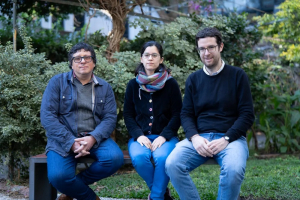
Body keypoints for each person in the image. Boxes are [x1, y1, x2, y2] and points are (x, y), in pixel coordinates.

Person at [165, 27, 255, 200]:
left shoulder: (237, 76)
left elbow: (247, 114)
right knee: (172, 164)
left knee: (233, 169)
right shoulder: (194, 79)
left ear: (220, 47)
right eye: (202, 49)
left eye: (210, 47)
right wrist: (195, 137)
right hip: (200, 138)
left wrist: (226, 139)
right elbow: (186, 114)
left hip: (231, 139)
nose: (206, 53)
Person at [40, 42, 124, 200]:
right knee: (58, 177)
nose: (82, 61)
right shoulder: (57, 83)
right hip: (63, 139)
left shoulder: (104, 87)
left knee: (114, 159)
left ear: (94, 62)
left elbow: (110, 117)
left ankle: (72, 189)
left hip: (95, 137)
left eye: (87, 57)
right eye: (77, 58)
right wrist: (71, 142)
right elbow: (47, 116)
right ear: (71, 63)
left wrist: (93, 138)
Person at [123, 41, 182, 200]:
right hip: (140, 137)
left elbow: (178, 114)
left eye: (154, 55)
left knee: (163, 159)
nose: (150, 58)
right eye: (146, 55)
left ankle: (156, 197)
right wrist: (139, 135)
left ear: (161, 59)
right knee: (139, 158)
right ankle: (162, 193)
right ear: (141, 58)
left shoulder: (171, 84)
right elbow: (127, 115)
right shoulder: (133, 85)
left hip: (165, 137)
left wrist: (164, 136)